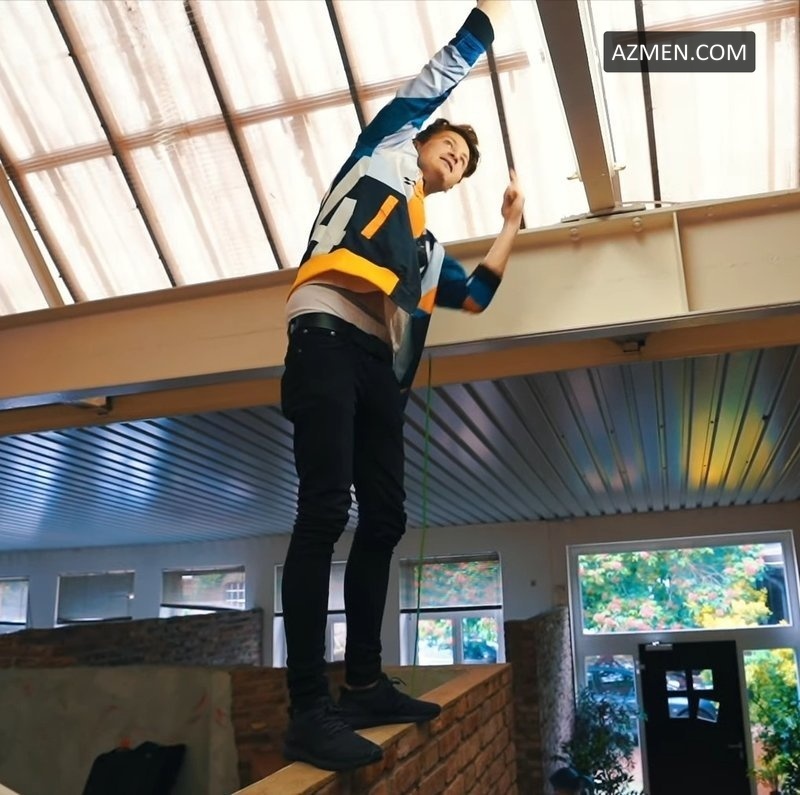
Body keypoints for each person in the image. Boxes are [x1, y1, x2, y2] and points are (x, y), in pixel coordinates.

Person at [280, 0, 525, 772]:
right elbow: (441, 71)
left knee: (385, 516)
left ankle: (363, 682)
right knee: (326, 509)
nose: (454, 160)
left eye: (463, 163)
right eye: (449, 147)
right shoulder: (383, 146)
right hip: (324, 327)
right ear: (421, 139)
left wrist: (511, 223)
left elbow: (476, 295)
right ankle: (308, 709)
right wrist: (488, 19)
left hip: (374, 364)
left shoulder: (424, 249)